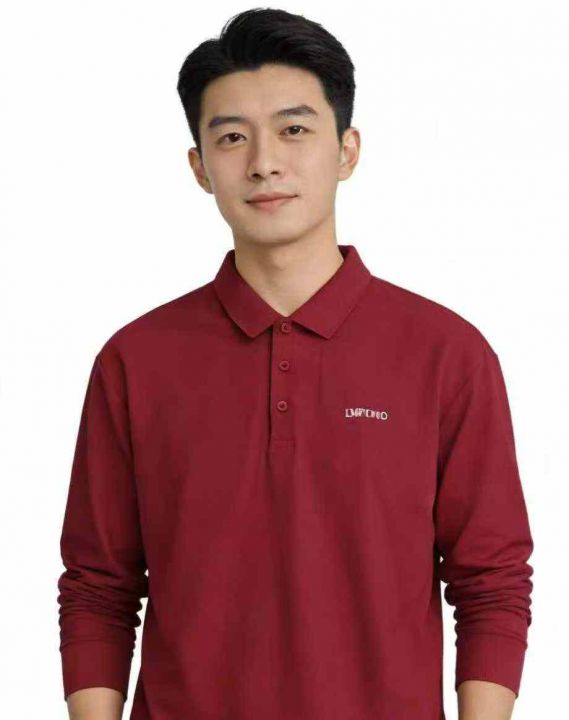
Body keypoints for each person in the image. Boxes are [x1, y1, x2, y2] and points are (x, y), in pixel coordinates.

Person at [57, 8, 534, 720]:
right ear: (199, 166)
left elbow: (491, 580)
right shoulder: (135, 360)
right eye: (231, 137)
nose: (263, 162)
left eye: (294, 130)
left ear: (346, 150)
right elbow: (98, 586)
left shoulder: (447, 353)